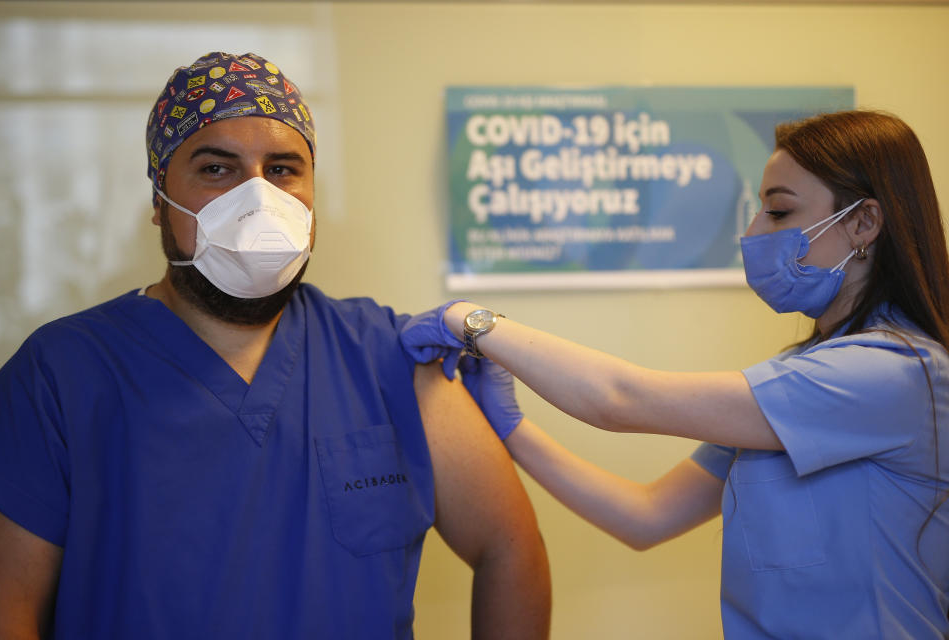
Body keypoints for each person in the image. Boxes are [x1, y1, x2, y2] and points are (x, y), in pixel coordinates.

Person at [0, 52, 550, 640]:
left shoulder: (389, 356)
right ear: (159, 202)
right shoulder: (59, 376)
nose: (258, 199)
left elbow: (510, 550)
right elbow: (6, 610)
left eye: (282, 169)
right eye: (217, 169)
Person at [402, 110, 949, 638]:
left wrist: (470, 321)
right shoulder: (794, 377)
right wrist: (512, 429)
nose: (755, 231)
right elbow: (645, 517)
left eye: (779, 213)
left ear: (863, 222)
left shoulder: (897, 374)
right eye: (758, 209)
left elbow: (621, 399)